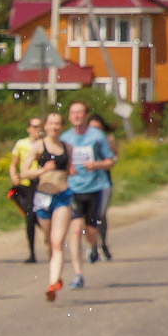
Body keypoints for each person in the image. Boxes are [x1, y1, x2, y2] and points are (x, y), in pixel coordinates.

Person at [29, 110, 79, 302]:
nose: (55, 127)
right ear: (46, 126)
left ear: (62, 126)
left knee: (57, 241)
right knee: (49, 241)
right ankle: (55, 273)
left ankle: (52, 283)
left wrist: (71, 170)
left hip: (63, 197)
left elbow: (69, 168)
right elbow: (24, 173)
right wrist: (42, 169)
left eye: (58, 123)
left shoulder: (68, 147)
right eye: (51, 123)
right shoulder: (37, 147)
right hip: (42, 196)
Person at [65, 101, 115, 265]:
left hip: (97, 186)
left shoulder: (96, 136)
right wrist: (67, 168)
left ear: (86, 115)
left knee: (95, 223)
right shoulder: (65, 138)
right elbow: (59, 163)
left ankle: (96, 245)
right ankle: (81, 265)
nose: (77, 116)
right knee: (77, 227)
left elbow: (110, 160)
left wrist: (96, 165)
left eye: (80, 113)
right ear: (69, 116)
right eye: (73, 113)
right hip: (74, 188)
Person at [6, 115, 46, 262]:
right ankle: (32, 252)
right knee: (30, 216)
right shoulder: (21, 144)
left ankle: (49, 235)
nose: (37, 130)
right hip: (25, 183)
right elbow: (13, 163)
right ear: (29, 129)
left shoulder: (44, 144)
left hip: (40, 183)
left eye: (39, 126)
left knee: (39, 214)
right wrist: (13, 175)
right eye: (34, 127)